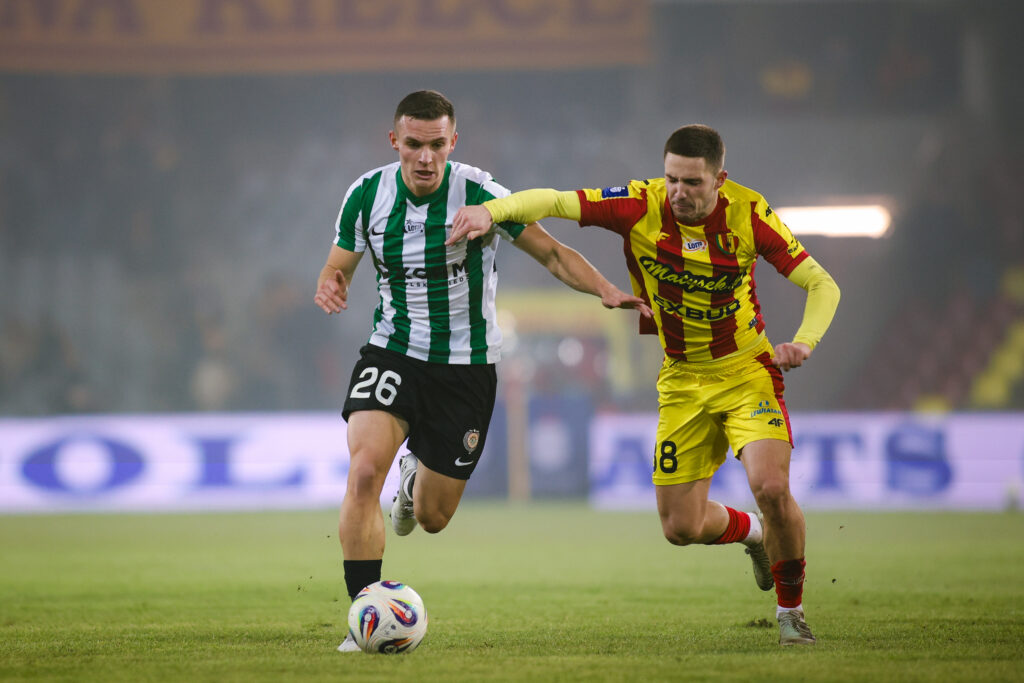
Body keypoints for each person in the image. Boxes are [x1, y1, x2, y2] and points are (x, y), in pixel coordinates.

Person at [448, 124, 840, 646]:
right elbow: (554, 201)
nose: (679, 191)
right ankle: (753, 533)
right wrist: (490, 212)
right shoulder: (638, 204)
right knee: (680, 527)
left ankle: (790, 613)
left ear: (719, 180)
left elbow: (821, 282)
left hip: (748, 371)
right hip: (681, 380)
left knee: (771, 486)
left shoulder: (749, 214)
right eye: (672, 178)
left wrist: (805, 341)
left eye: (693, 183)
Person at [313, 90, 651, 653]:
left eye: (437, 145)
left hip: (466, 368)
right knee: (364, 469)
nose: (425, 158)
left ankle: (417, 477)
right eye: (414, 145)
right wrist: (331, 281)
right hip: (392, 350)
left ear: (454, 141)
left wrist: (606, 290)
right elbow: (338, 263)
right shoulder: (366, 194)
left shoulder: (482, 195)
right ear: (394, 141)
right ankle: (364, 610)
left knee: (435, 517)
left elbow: (552, 253)